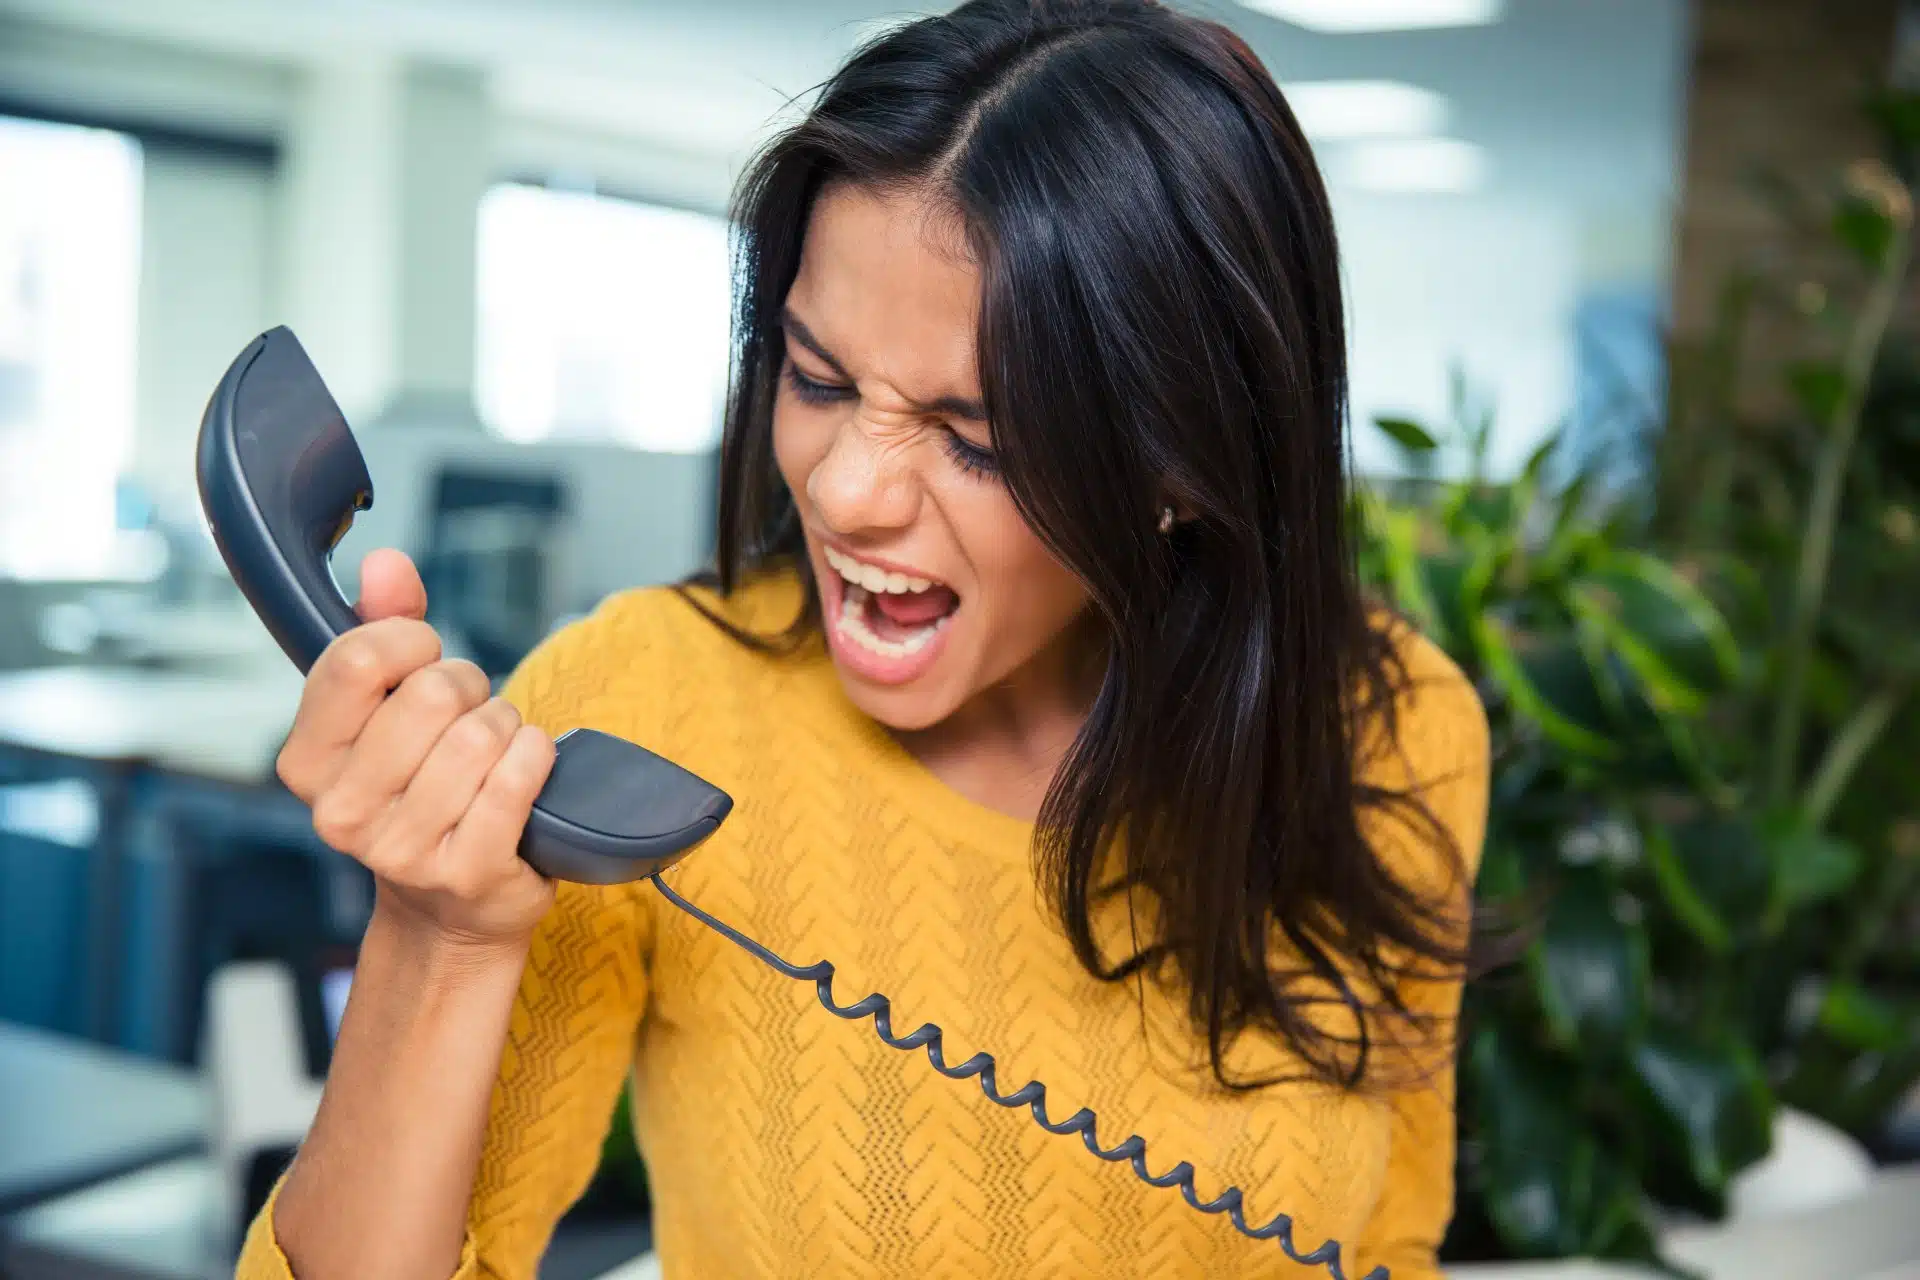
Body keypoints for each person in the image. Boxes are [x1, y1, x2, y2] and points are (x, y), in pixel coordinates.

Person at [237, 1, 1489, 1277]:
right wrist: (438, 935)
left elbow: (1391, 1239)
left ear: (1185, 465)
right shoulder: (647, 705)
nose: (841, 492)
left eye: (977, 437)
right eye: (818, 378)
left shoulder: (1392, 727)